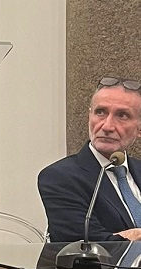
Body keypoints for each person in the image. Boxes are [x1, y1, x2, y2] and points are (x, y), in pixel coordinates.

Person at [38, 77, 141, 243]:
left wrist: (130, 235)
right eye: (100, 112)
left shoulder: (138, 170)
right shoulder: (59, 177)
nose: (107, 126)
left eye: (122, 115)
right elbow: (88, 245)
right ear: (89, 116)